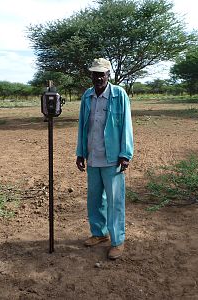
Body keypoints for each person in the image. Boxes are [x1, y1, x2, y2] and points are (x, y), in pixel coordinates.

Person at [76, 58, 134, 260]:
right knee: (94, 198)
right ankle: (99, 233)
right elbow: (83, 125)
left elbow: (126, 125)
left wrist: (125, 154)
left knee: (115, 200)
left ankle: (118, 241)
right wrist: (80, 152)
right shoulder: (87, 96)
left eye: (102, 74)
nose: (98, 77)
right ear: (91, 75)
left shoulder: (119, 94)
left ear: (109, 75)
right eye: (95, 73)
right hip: (93, 156)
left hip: (113, 158)